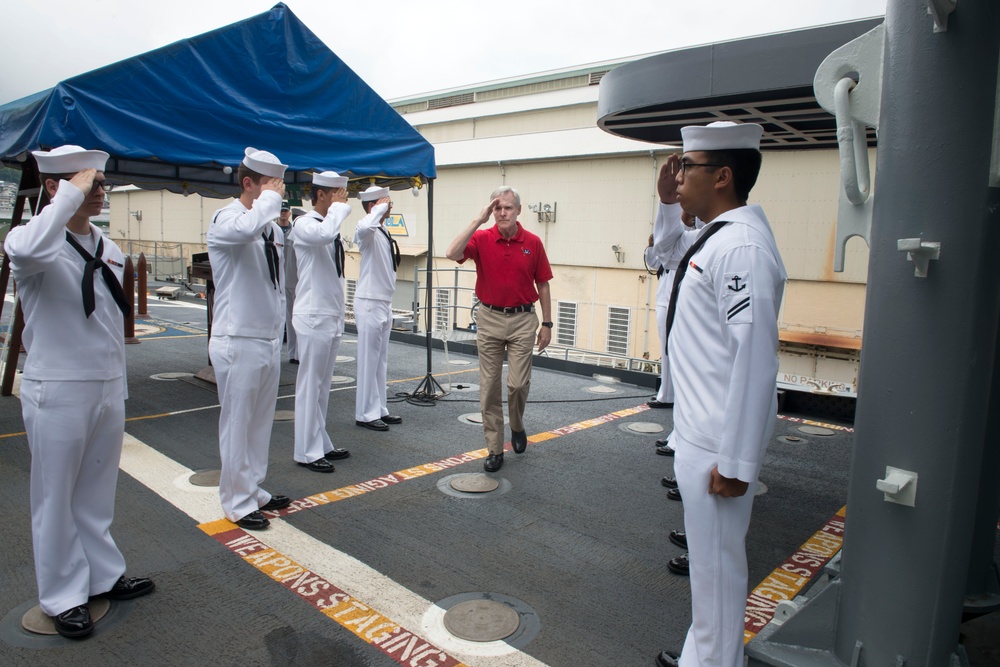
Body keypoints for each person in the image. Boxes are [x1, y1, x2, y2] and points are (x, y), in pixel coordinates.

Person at [4, 145, 154, 639]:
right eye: (91, 183)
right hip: (59, 386)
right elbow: (25, 252)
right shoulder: (33, 240)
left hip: (106, 383)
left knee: (95, 490)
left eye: (100, 183)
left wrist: (118, 380)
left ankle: (103, 575)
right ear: (56, 187)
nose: (101, 191)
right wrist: (68, 196)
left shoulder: (104, 244)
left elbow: (110, 317)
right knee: (56, 494)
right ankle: (63, 594)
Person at [652, 122, 786, 667]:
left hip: (717, 444)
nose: (679, 175)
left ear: (723, 176)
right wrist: (666, 203)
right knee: (708, 574)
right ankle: (704, 654)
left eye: (689, 166)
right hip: (698, 432)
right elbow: (661, 252)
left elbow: (756, 359)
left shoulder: (742, 248)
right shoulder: (716, 236)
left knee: (718, 575)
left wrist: (736, 462)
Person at [207, 147, 293, 530]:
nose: (279, 193)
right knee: (238, 423)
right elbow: (244, 230)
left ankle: (253, 488)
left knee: (259, 423)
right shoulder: (228, 217)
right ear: (248, 184)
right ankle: (236, 501)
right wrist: (271, 200)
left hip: (266, 336)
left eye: (281, 186)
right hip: (237, 336)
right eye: (271, 186)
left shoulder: (272, 228)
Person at [445, 186, 553, 473]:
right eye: (497, 208)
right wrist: (478, 220)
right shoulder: (481, 238)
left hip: (522, 320)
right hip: (489, 318)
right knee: (489, 388)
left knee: (516, 384)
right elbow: (451, 252)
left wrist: (547, 323)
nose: (502, 212)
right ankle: (494, 449)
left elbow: (543, 284)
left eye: (507, 207)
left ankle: (516, 424)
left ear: (518, 210)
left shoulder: (533, 242)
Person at [290, 172, 352, 471]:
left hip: (329, 313)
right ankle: (306, 451)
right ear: (322, 195)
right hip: (313, 314)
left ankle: (320, 441)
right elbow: (324, 235)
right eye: (338, 193)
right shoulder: (305, 224)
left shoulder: (328, 226)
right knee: (309, 386)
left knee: (322, 386)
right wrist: (339, 210)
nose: (344, 198)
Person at [646, 200, 701, 457]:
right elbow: (656, 259)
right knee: (672, 356)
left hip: (683, 298)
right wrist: (653, 243)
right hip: (668, 291)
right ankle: (678, 434)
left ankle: (683, 441)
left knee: (687, 369)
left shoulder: (699, 235)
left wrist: (676, 228)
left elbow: (670, 251)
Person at [353, 185, 403, 431]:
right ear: (374, 206)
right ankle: (365, 412)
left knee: (380, 361)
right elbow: (363, 227)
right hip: (370, 302)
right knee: (368, 360)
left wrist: (380, 208)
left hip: (384, 302)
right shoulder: (367, 229)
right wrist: (378, 209)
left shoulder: (381, 230)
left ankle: (379, 408)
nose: (391, 206)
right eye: (386, 202)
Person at [277, 203, 299, 363]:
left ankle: (297, 352)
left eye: (285, 211)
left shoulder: (296, 233)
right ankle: (291, 353)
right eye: (281, 212)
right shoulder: (274, 231)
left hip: (296, 280)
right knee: (286, 318)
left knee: (296, 318)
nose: (283, 214)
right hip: (280, 280)